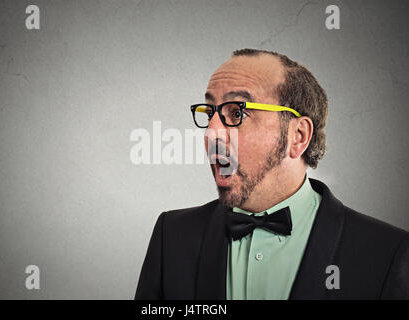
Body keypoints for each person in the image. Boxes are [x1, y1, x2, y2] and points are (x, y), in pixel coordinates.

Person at [135, 49, 408, 299]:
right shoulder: (172, 236)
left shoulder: (387, 252)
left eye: (237, 112)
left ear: (298, 136)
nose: (211, 134)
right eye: (209, 114)